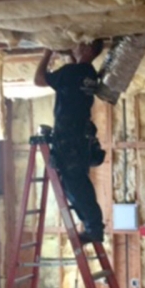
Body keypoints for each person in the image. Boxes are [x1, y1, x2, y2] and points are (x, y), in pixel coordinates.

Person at [34, 41, 106, 244]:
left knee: (75, 185)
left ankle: (94, 228)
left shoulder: (72, 72)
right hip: (78, 139)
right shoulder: (89, 73)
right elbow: (74, 72)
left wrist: (47, 52)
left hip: (70, 138)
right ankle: (93, 226)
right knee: (76, 183)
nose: (77, 46)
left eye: (82, 45)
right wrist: (69, 56)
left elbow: (38, 79)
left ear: (89, 50)